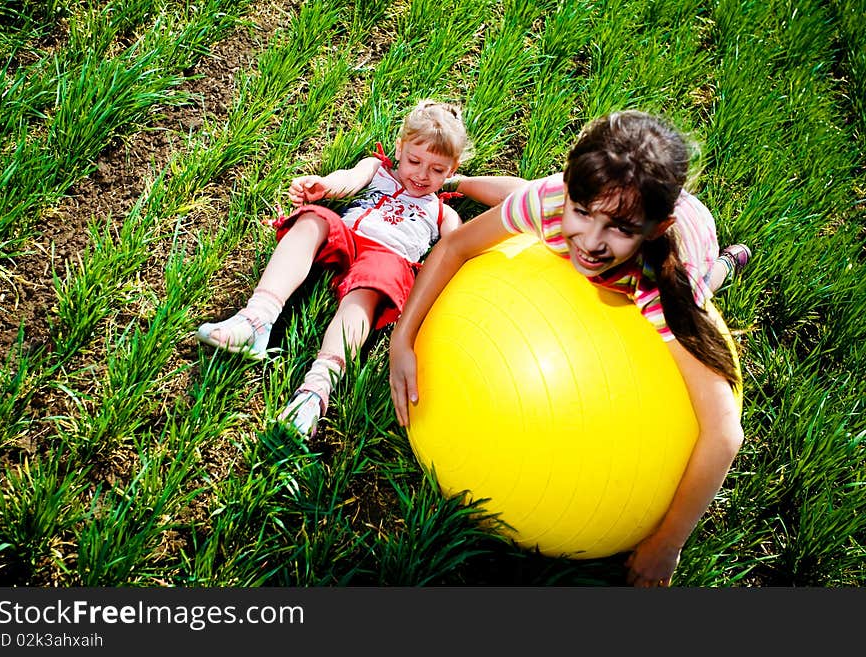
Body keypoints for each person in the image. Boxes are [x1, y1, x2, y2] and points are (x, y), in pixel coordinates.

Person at [389, 109, 750, 588]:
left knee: (708, 281)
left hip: (692, 244)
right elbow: (456, 246)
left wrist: (667, 544)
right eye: (582, 213)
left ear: (652, 230)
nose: (593, 244)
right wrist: (403, 338)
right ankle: (465, 181)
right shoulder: (553, 202)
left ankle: (728, 262)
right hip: (597, 196)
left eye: (619, 229)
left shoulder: (666, 290)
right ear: (569, 190)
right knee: (527, 197)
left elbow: (724, 433)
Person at [197, 99, 470, 438]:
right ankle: (257, 319)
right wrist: (323, 186)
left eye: (437, 170)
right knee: (314, 219)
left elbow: (456, 248)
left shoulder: (441, 210)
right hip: (348, 237)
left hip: (387, 259)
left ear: (452, 169)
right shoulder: (377, 168)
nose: (422, 175)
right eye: (414, 160)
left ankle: (316, 389)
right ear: (399, 148)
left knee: (370, 289)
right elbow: (349, 179)